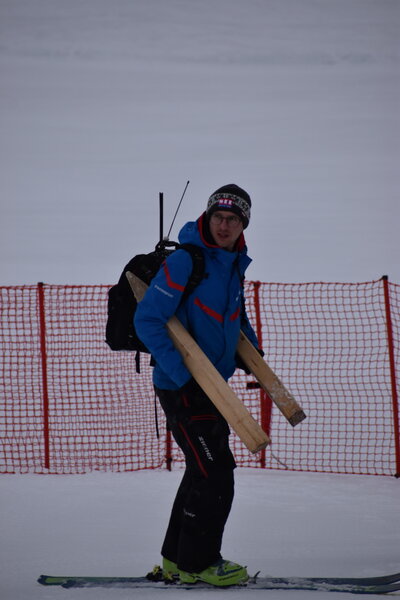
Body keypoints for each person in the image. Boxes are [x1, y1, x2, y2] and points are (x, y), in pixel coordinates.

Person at [134, 184, 261, 587]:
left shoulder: (232, 263)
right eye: (218, 217)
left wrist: (254, 357)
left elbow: (233, 320)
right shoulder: (187, 262)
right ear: (207, 218)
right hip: (184, 386)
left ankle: (177, 561)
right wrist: (185, 378)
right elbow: (148, 320)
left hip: (213, 385)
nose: (224, 225)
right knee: (216, 473)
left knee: (202, 470)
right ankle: (199, 562)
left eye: (233, 219)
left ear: (243, 225)